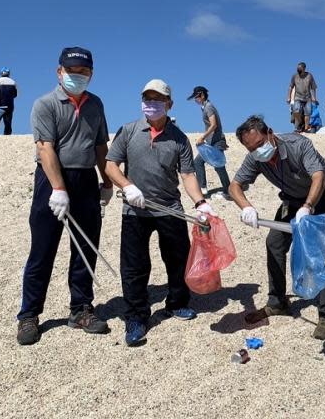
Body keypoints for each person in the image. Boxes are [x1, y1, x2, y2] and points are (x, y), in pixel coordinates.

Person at [16, 47, 113, 346]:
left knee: (86, 246)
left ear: (91, 74)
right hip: (51, 179)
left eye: (83, 72)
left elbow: (100, 147)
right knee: (42, 250)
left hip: (85, 179)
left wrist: (106, 182)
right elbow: (45, 148)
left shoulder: (96, 104)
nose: (77, 76)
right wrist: (58, 189)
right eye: (72, 71)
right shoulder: (45, 104)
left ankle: (81, 308)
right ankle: (29, 315)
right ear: (59, 72)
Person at [105, 79, 212, 347]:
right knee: (134, 267)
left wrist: (200, 203)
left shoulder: (179, 138)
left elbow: (187, 174)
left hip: (170, 209)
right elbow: (110, 166)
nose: (151, 104)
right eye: (147, 99)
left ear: (169, 104)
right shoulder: (128, 131)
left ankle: (177, 303)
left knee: (177, 260)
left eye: (157, 99)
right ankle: (136, 317)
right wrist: (128, 187)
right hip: (135, 210)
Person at [228, 115, 325, 341]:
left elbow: (319, 177)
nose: (258, 150)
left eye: (260, 144)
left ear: (270, 133)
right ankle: (278, 302)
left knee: (320, 249)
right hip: (292, 198)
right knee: (274, 243)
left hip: (324, 193)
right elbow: (234, 186)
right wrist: (246, 207)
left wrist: (308, 207)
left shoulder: (298, 145)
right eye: (251, 149)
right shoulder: (255, 158)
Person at [187, 86, 231, 201]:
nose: (195, 100)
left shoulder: (209, 107)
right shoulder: (205, 107)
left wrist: (202, 137)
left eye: (196, 97)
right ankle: (203, 188)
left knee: (219, 166)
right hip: (211, 142)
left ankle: (228, 191)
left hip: (216, 141)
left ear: (201, 95)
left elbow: (214, 125)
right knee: (198, 162)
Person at [287, 62, 317, 133]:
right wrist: (288, 97)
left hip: (307, 97)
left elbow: (313, 87)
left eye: (299, 68)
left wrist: (314, 97)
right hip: (298, 97)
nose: (298, 70)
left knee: (308, 113)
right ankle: (299, 125)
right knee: (296, 111)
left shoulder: (309, 76)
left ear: (304, 68)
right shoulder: (294, 76)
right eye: (297, 68)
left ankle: (306, 128)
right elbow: (290, 87)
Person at [0, 67, 18, 135]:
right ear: (8, 74)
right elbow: (15, 94)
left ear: (1, 73)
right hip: (9, 105)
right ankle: (7, 135)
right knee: (8, 122)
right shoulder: (13, 82)